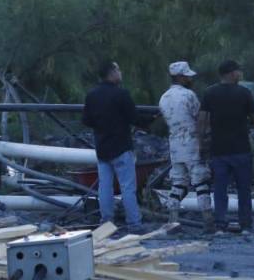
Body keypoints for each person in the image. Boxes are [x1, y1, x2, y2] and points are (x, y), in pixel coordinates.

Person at [82, 59, 147, 233]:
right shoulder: (121, 94)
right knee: (127, 187)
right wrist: (152, 120)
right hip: (121, 146)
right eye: (118, 70)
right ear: (112, 73)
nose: (120, 73)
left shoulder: (92, 95)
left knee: (105, 187)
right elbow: (135, 118)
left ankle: (106, 222)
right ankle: (134, 222)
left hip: (102, 147)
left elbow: (86, 120)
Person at [200, 59, 254, 234]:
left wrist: (201, 143)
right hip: (241, 148)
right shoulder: (245, 93)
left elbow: (202, 119)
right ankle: (245, 225)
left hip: (219, 150)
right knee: (244, 189)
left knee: (220, 189)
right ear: (232, 73)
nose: (240, 74)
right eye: (238, 71)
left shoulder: (209, 93)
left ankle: (220, 225)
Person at [158, 61, 213, 229]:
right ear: (181, 77)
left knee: (178, 184)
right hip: (192, 143)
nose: (190, 79)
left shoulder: (164, 98)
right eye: (188, 76)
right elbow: (200, 117)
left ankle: (172, 221)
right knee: (201, 182)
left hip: (174, 144)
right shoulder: (189, 95)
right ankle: (208, 221)